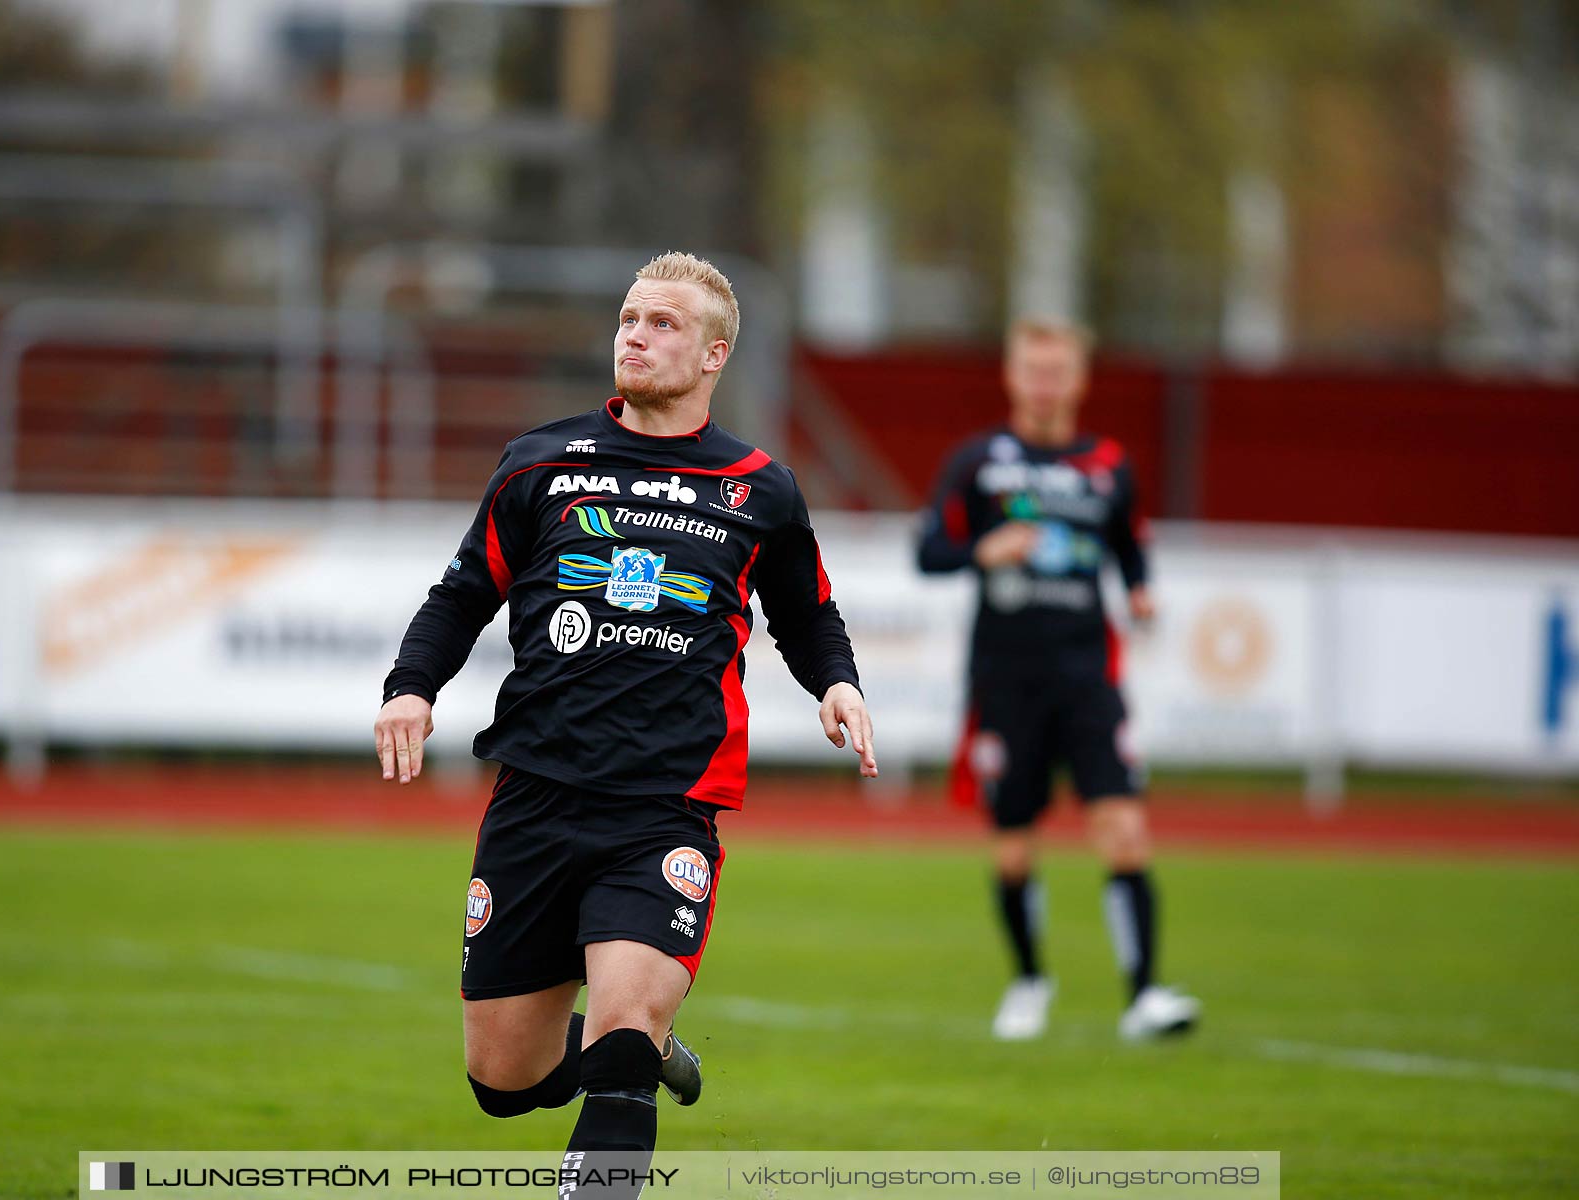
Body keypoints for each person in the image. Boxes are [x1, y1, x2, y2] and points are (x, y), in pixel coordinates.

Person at [375, 252, 876, 1187]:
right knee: (501, 1075)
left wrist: (835, 682)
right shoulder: (540, 460)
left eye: (663, 324)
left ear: (715, 353)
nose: (636, 336)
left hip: (665, 804)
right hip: (535, 793)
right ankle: (642, 1049)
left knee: (623, 1032)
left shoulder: (759, 487)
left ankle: (634, 1046)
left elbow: (806, 613)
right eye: (628, 319)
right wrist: (412, 685)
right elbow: (461, 594)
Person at [915, 318, 1199, 1043]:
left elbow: (1131, 549)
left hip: (1088, 680)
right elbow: (930, 550)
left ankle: (1144, 995)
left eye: (1057, 371)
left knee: (1125, 828)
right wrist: (986, 548)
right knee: (1013, 842)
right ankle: (1030, 980)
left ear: (1079, 380)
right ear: (1012, 377)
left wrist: (1139, 592)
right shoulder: (978, 463)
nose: (1044, 384)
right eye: (1032, 370)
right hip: (1005, 683)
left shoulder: (1108, 464)